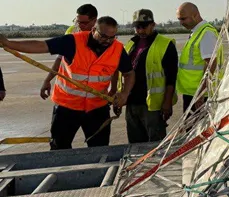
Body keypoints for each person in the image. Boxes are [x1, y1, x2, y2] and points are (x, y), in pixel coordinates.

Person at [0, 17, 135, 149]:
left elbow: (129, 73)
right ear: (94, 30)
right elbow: (41, 46)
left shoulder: (117, 48)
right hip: (67, 108)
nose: (108, 41)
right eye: (103, 36)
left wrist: (124, 94)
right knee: (59, 148)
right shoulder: (73, 41)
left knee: (99, 149)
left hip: (97, 108)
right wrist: (9, 43)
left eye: (112, 37)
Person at [122, 9, 178, 143]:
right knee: (135, 144)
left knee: (155, 144)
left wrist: (167, 102)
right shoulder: (131, 44)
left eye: (144, 26)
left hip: (152, 106)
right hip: (132, 102)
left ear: (153, 25)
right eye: (137, 27)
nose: (140, 30)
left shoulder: (165, 45)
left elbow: (171, 77)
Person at [41, 4, 99, 100]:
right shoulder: (71, 33)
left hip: (95, 98)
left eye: (84, 23)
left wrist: (114, 90)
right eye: (77, 22)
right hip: (68, 97)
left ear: (94, 21)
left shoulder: (104, 36)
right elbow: (59, 59)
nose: (80, 26)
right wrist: (47, 80)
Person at [176, 2, 223, 112]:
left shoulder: (206, 33)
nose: (181, 23)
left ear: (196, 15)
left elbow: (211, 63)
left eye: (183, 19)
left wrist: (201, 92)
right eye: (179, 19)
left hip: (201, 94)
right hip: (193, 92)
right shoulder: (197, 32)